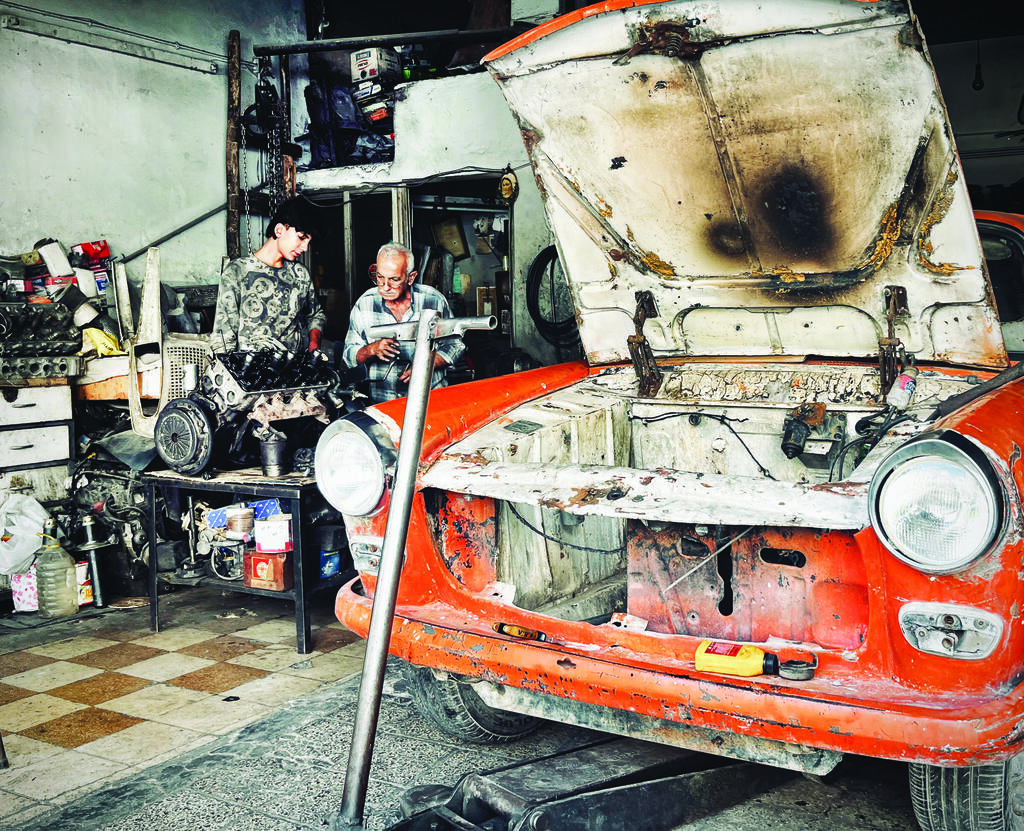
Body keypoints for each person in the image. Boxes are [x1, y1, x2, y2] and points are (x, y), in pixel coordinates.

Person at [343, 241, 464, 402]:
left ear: (411, 277)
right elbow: (348, 356)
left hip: (429, 401)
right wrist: (371, 350)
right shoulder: (364, 304)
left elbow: (455, 345)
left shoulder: (433, 300)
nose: (385, 287)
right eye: (379, 277)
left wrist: (425, 366)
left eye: (394, 279)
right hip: (383, 405)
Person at [213, 197, 326, 354]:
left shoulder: (300, 274)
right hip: (249, 373)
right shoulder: (238, 272)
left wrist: (314, 341)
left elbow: (315, 315)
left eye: (309, 242)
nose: (305, 247)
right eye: (301, 237)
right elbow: (223, 338)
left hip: (292, 372)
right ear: (279, 230)